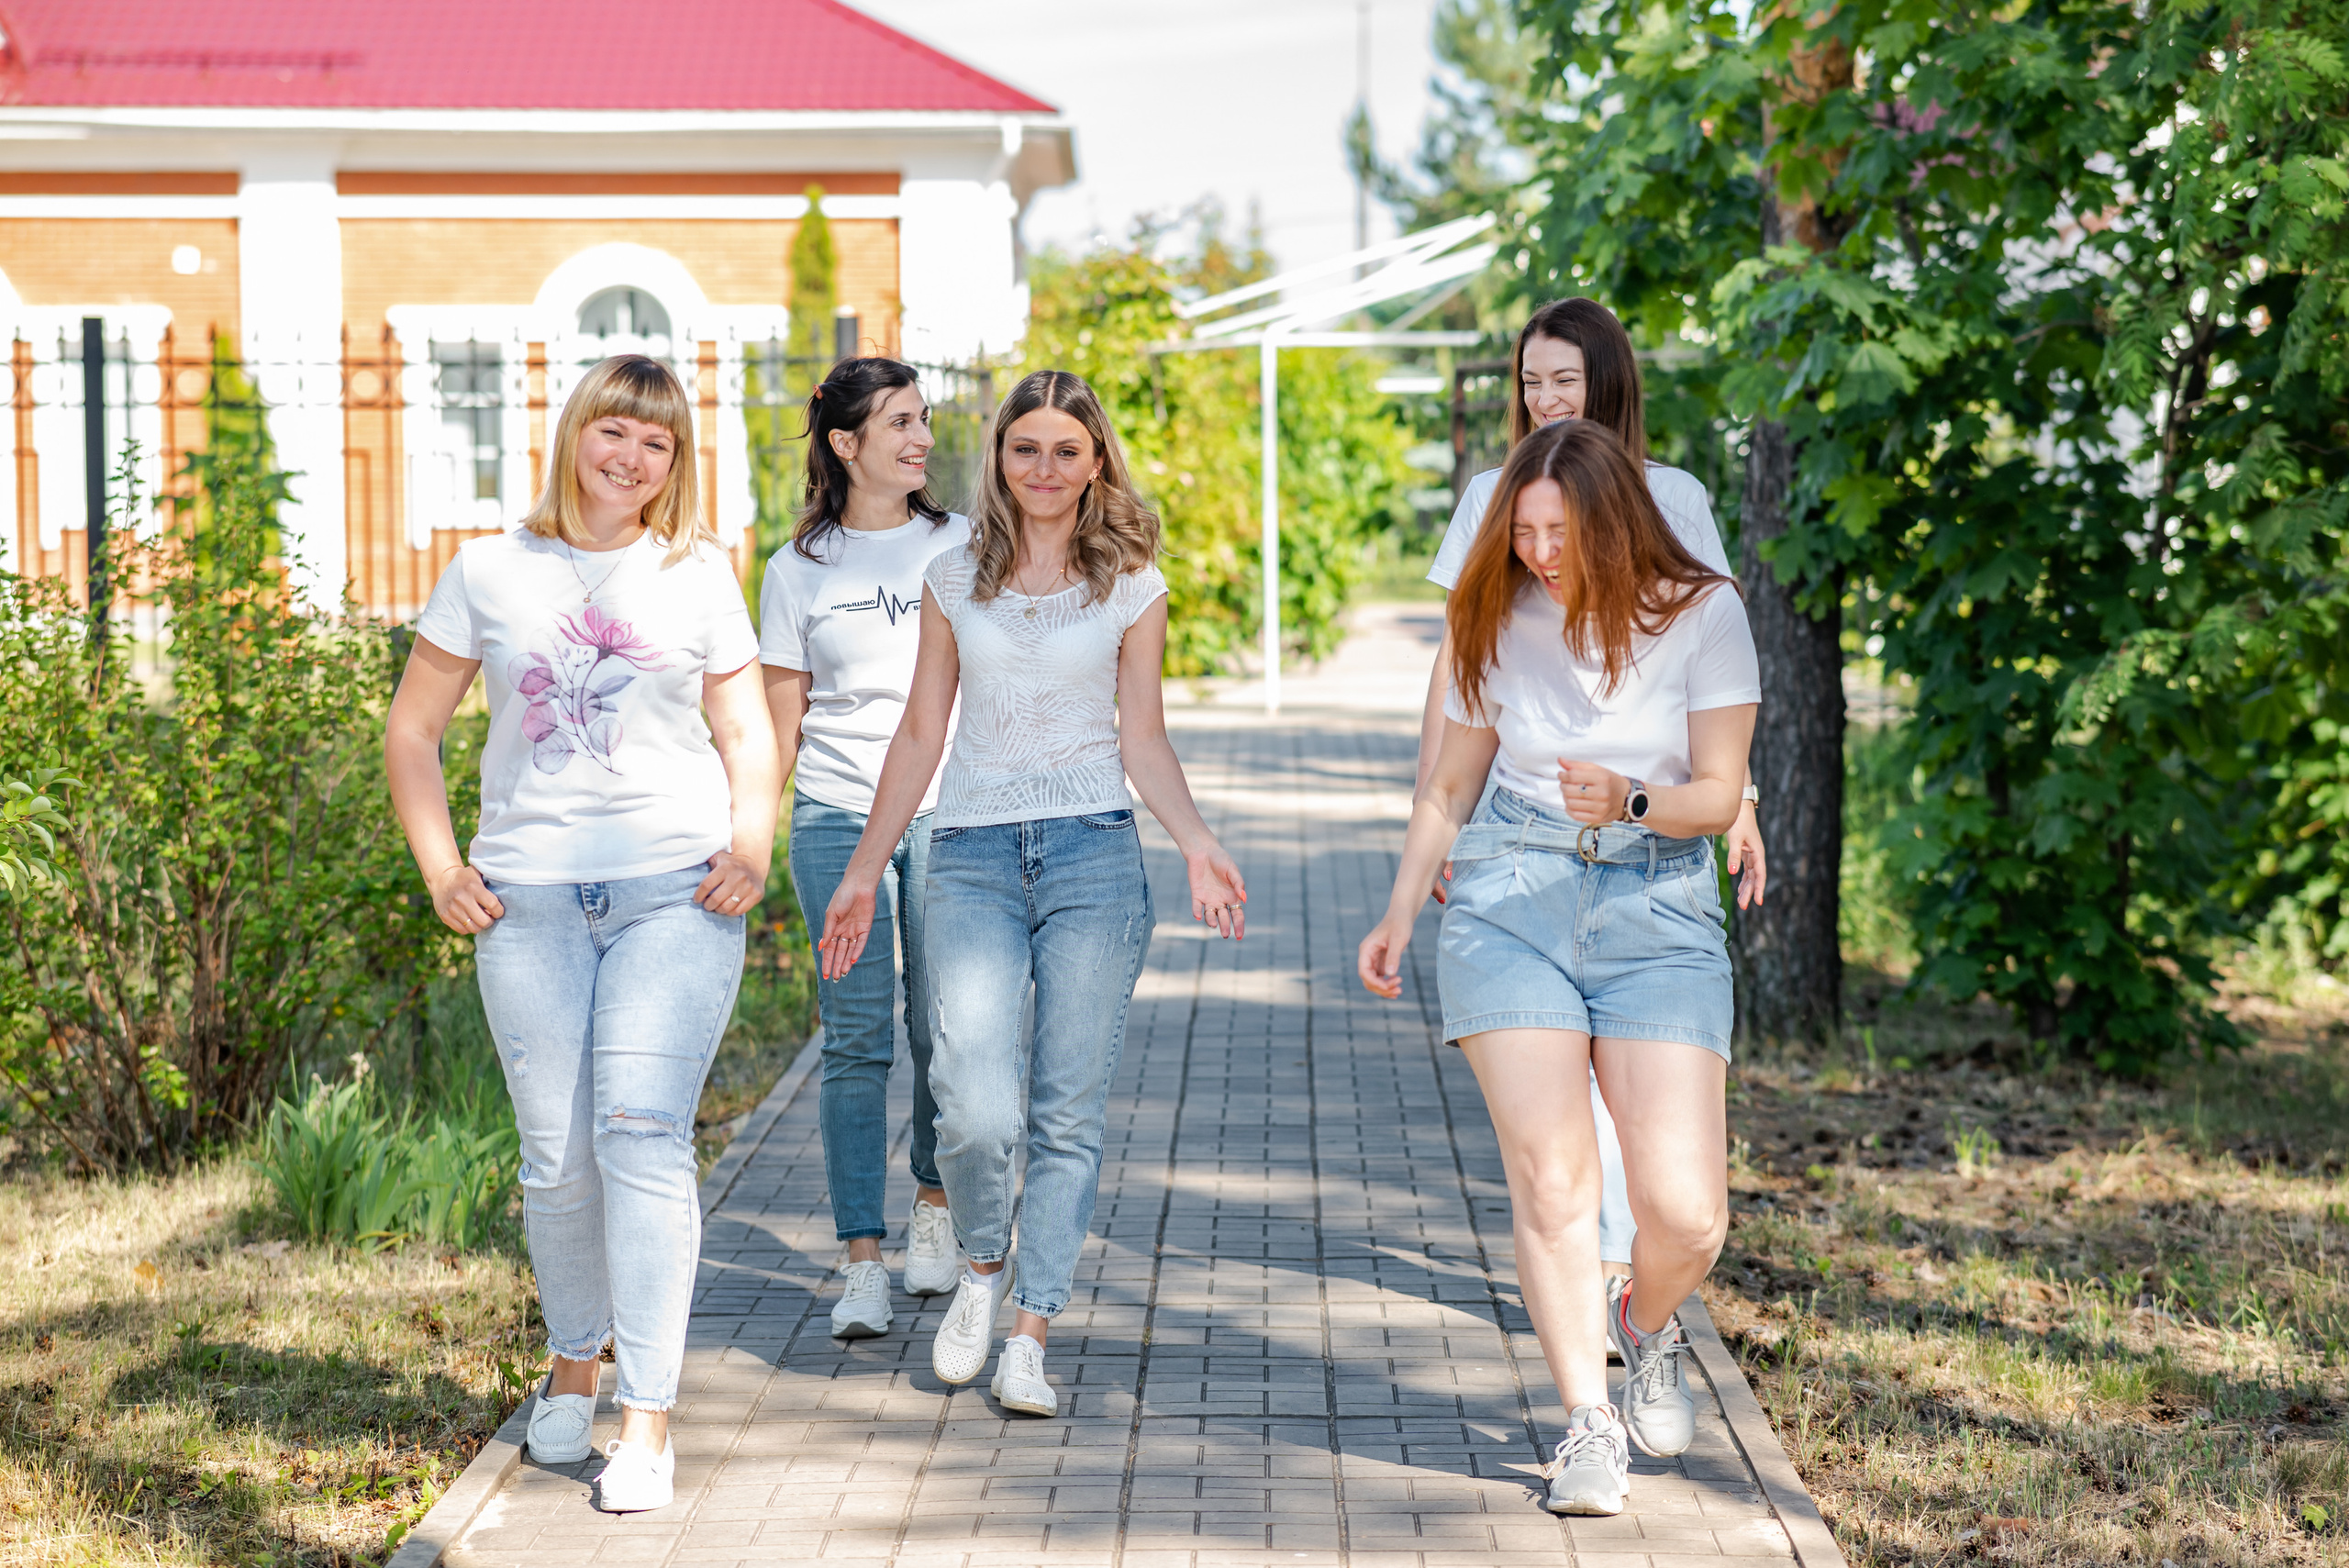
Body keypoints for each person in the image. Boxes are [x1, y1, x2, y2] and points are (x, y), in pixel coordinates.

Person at [385, 354, 779, 1515]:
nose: (632, 458)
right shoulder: (489, 569)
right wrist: (443, 867)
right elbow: (413, 732)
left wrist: (751, 845)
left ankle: (646, 1417)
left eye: (657, 443)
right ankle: (573, 1362)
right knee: (556, 1160)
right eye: (615, 431)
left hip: (674, 893)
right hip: (531, 902)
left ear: (676, 463)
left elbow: (747, 733)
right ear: (575, 437)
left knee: (640, 1133)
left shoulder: (697, 572)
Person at [816, 369, 1246, 1419]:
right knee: (970, 1099)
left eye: (1065, 449)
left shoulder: (1131, 579)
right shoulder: (954, 575)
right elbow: (922, 730)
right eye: (1024, 449)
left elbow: (1141, 731)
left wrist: (1194, 842)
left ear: (1096, 459)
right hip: (964, 852)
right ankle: (979, 1261)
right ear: (999, 458)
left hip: (1094, 852)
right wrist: (866, 869)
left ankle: (1029, 1329)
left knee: (1064, 1110)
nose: (1043, 468)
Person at [1359, 418, 1757, 1516]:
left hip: (1659, 901)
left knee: (1685, 1217)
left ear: (1614, 519)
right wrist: (1398, 909)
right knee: (1555, 1180)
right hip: (1509, 895)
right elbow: (1448, 787)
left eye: (1558, 530)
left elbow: (1717, 794)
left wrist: (1631, 797)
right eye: (1522, 530)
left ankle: (1641, 1320)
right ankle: (1587, 1419)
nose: (1538, 551)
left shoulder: (1702, 612)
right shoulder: (1492, 615)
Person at [1414, 296, 1765, 1362]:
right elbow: (1458, 658)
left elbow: (1702, 656)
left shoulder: (1674, 496)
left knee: (1650, 1115)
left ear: (1609, 382)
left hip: (1647, 850)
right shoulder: (1494, 494)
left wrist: (1733, 801)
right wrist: (1434, 807)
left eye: (1564, 380)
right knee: (1563, 1114)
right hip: (1525, 841)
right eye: (1531, 381)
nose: (1544, 398)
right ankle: (1598, 1276)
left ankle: (1629, 1283)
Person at [761, 359, 972, 1340]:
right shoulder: (797, 566)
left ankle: (934, 1206)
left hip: (944, 813)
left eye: (922, 418)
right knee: (853, 1039)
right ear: (845, 445)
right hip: (834, 816)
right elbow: (781, 718)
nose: (920, 437)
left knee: (942, 1027)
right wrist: (752, 832)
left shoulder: (965, 544)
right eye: (897, 422)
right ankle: (861, 1260)